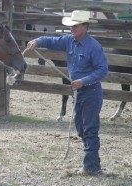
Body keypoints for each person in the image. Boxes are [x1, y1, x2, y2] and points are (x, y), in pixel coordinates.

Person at [27, 10, 108, 176]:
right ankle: (94, 163)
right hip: (78, 93)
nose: (72, 28)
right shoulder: (69, 41)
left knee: (89, 129)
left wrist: (83, 81)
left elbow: (103, 70)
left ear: (84, 27)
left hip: (91, 92)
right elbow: (51, 41)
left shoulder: (93, 46)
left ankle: (90, 167)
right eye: (71, 25)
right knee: (80, 127)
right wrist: (37, 40)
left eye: (75, 26)